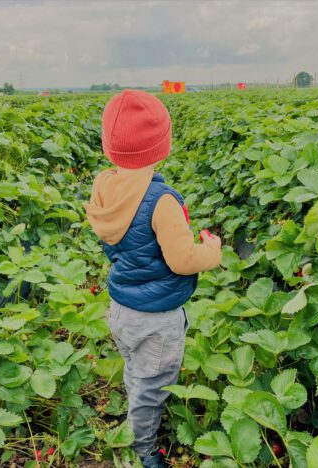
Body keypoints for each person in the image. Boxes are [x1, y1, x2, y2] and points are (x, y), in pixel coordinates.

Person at [84, 89, 222, 468]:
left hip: (122, 309)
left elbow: (120, 245)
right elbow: (181, 260)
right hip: (155, 319)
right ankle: (143, 450)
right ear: (163, 146)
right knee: (152, 387)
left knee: (136, 371)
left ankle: (136, 415)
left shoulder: (105, 189)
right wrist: (212, 250)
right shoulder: (161, 200)